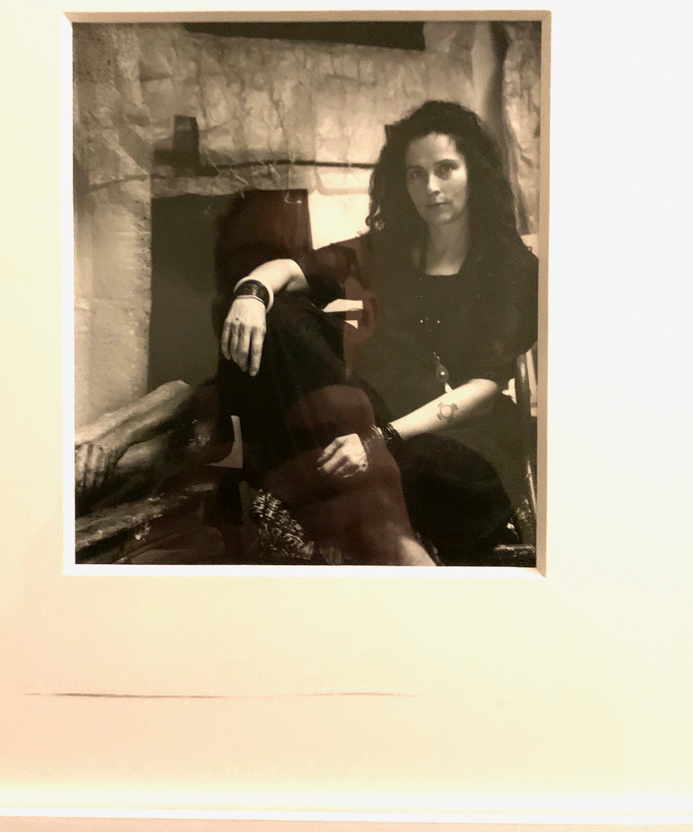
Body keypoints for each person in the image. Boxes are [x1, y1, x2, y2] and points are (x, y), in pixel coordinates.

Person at [220, 101, 538, 565]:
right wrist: (250, 293)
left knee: (397, 464)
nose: (431, 187)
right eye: (416, 174)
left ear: (476, 173)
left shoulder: (513, 268)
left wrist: (377, 439)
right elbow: (292, 269)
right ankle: (392, 537)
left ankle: (370, 524)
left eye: (446, 169)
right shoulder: (390, 249)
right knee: (283, 314)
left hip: (461, 439)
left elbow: (485, 391)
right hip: (375, 415)